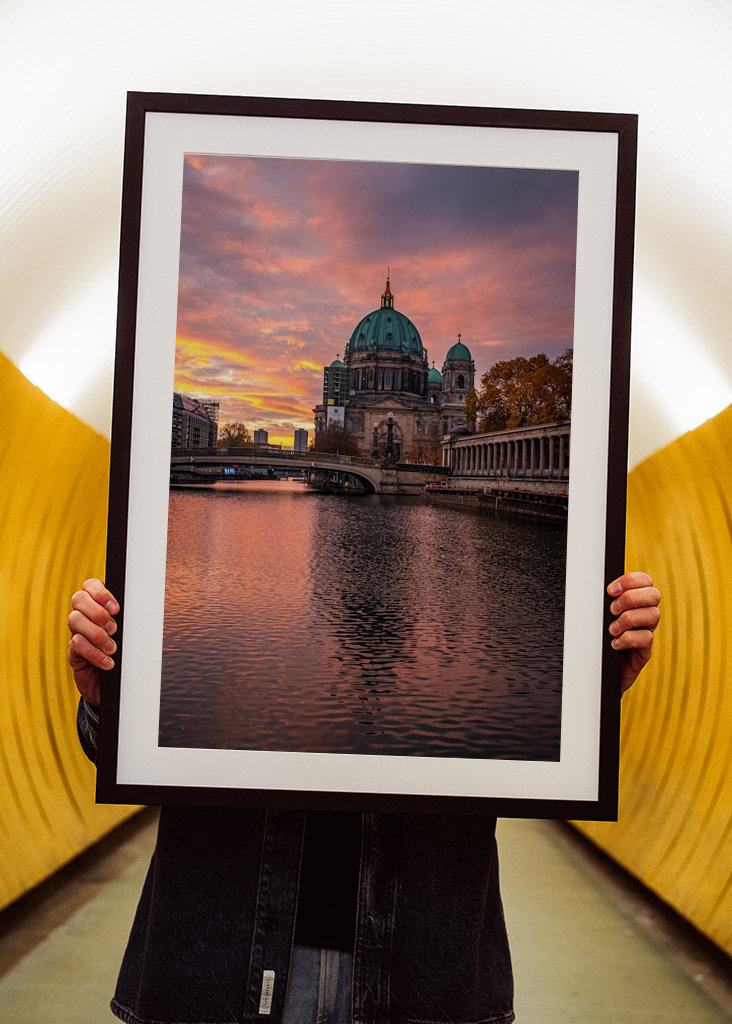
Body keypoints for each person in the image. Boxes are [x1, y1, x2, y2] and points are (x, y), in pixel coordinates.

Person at [68, 572, 661, 1024]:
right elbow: (122, 754)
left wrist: (586, 694)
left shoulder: (453, 647)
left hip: (423, 969)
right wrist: (109, 701)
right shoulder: (263, 653)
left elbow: (532, 747)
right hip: (219, 960)